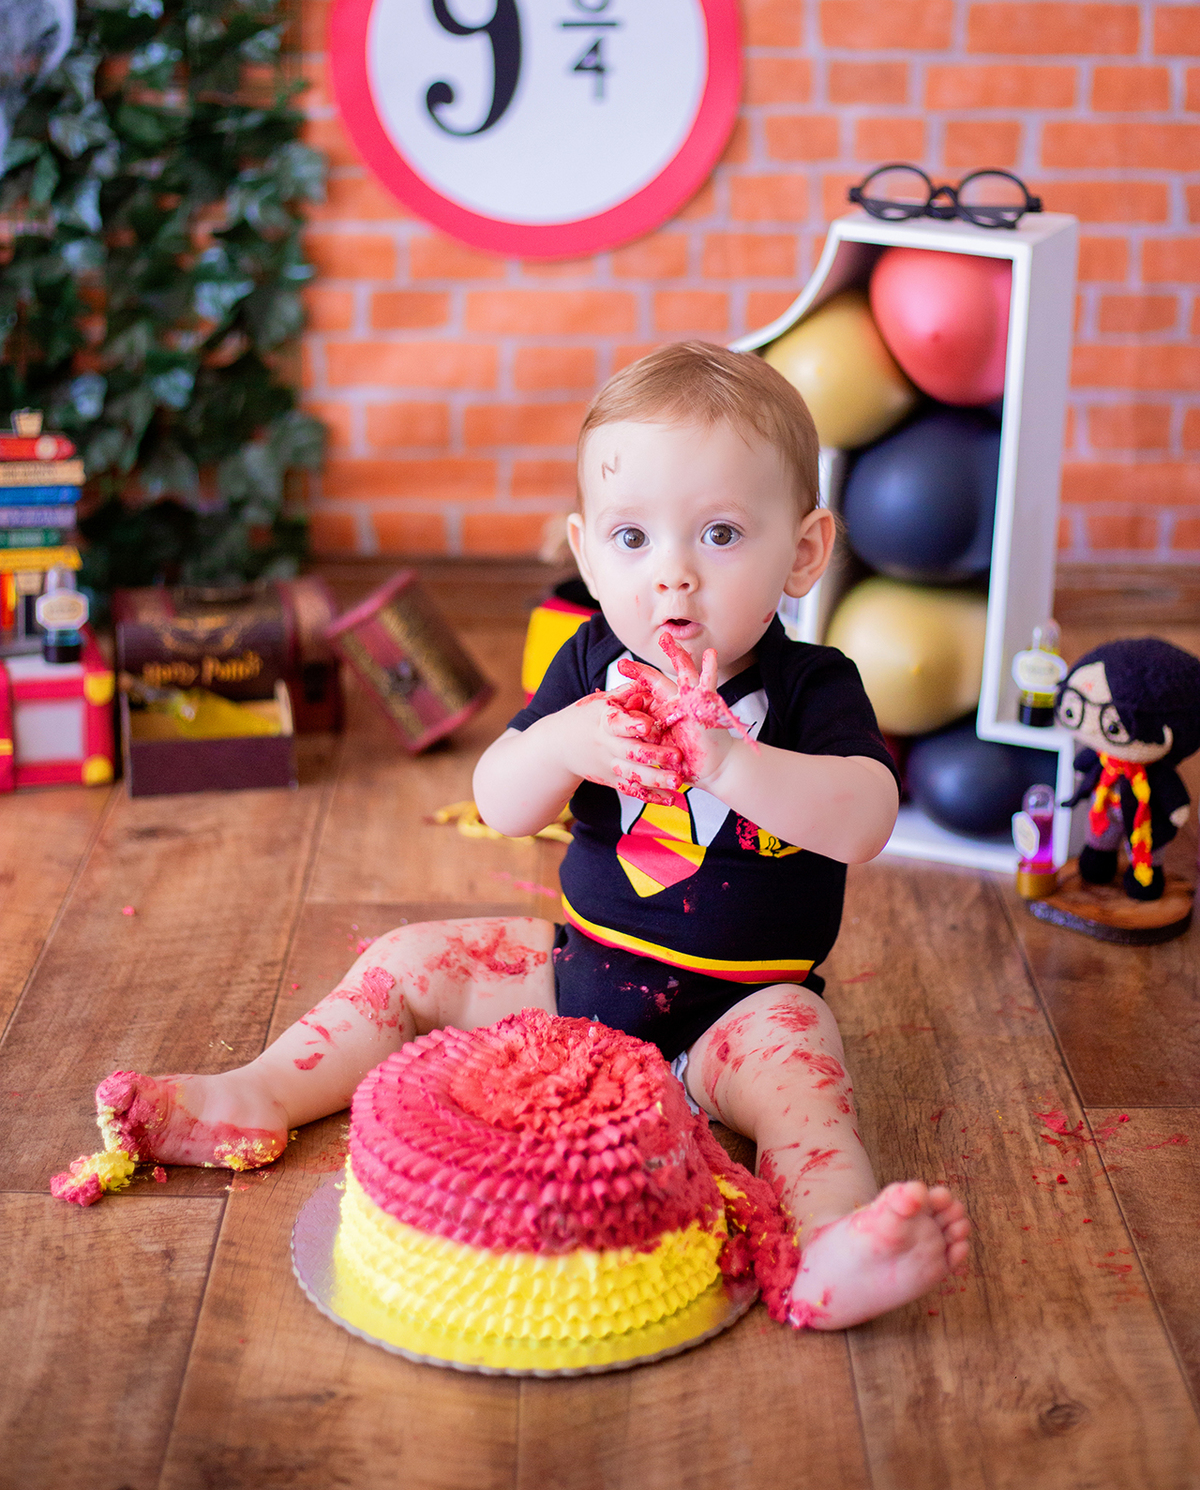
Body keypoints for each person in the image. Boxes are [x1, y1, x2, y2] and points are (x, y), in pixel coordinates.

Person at [94, 342, 968, 1329]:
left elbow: (865, 821)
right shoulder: (593, 665)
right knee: (408, 960)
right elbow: (504, 803)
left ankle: (830, 1249)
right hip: (577, 979)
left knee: (809, 1085)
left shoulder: (815, 687)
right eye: (633, 540)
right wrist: (561, 740)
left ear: (804, 551)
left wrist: (733, 764)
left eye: (720, 534)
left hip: (740, 1018)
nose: (672, 579)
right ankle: (256, 1093)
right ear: (587, 552)